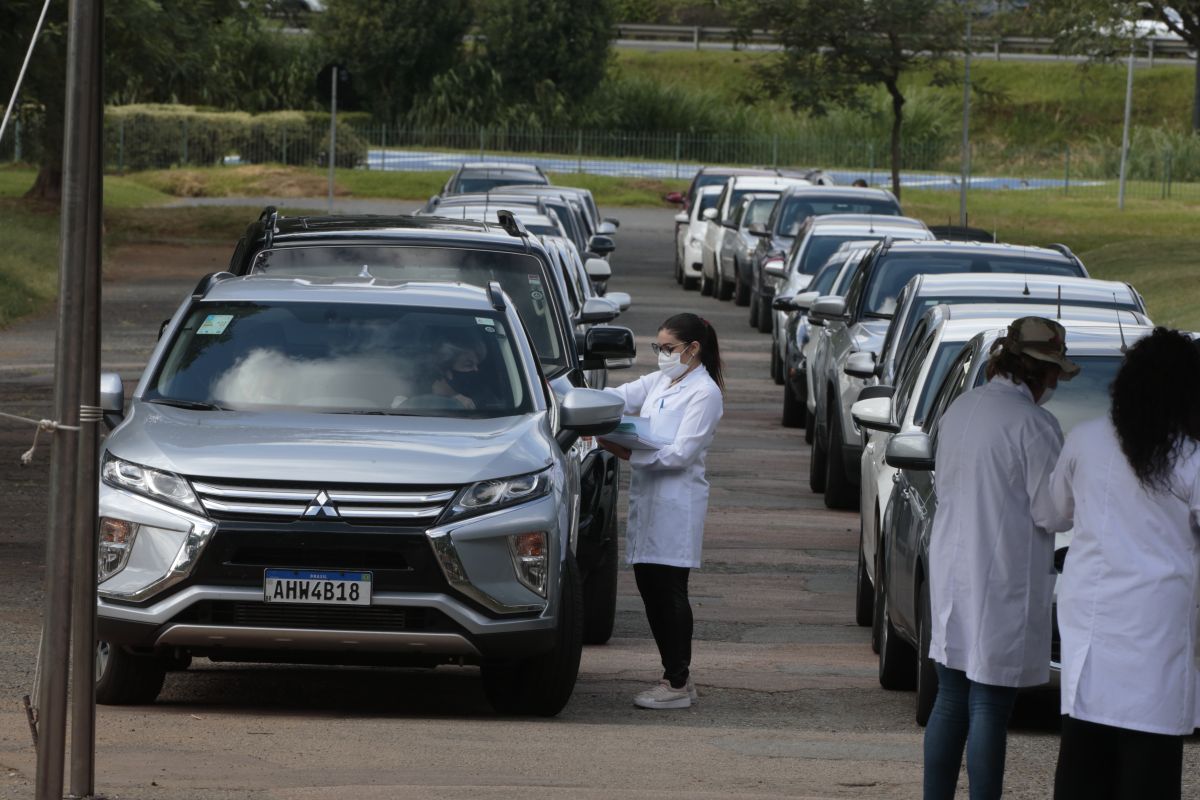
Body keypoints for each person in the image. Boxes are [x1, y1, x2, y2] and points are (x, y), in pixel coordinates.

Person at [923, 317, 1078, 800]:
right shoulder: (1034, 425)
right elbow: (1053, 513)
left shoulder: (961, 409)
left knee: (950, 699)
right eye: (1053, 372)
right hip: (1000, 576)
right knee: (990, 704)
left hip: (951, 569)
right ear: (1038, 370)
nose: (1055, 381)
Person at [1049, 329, 1200, 800]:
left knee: (1085, 757)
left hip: (1092, 622)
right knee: (1149, 763)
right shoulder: (1190, 456)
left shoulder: (1086, 440)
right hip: (1155, 630)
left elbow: (1055, 512)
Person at [598, 313, 724, 710]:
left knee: (669, 589)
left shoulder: (705, 393)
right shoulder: (662, 381)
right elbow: (618, 398)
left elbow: (681, 454)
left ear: (692, 349)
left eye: (668, 349)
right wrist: (570, 397)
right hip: (649, 498)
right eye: (658, 348)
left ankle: (677, 682)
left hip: (676, 502)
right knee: (649, 586)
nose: (662, 355)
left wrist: (622, 448)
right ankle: (673, 676)